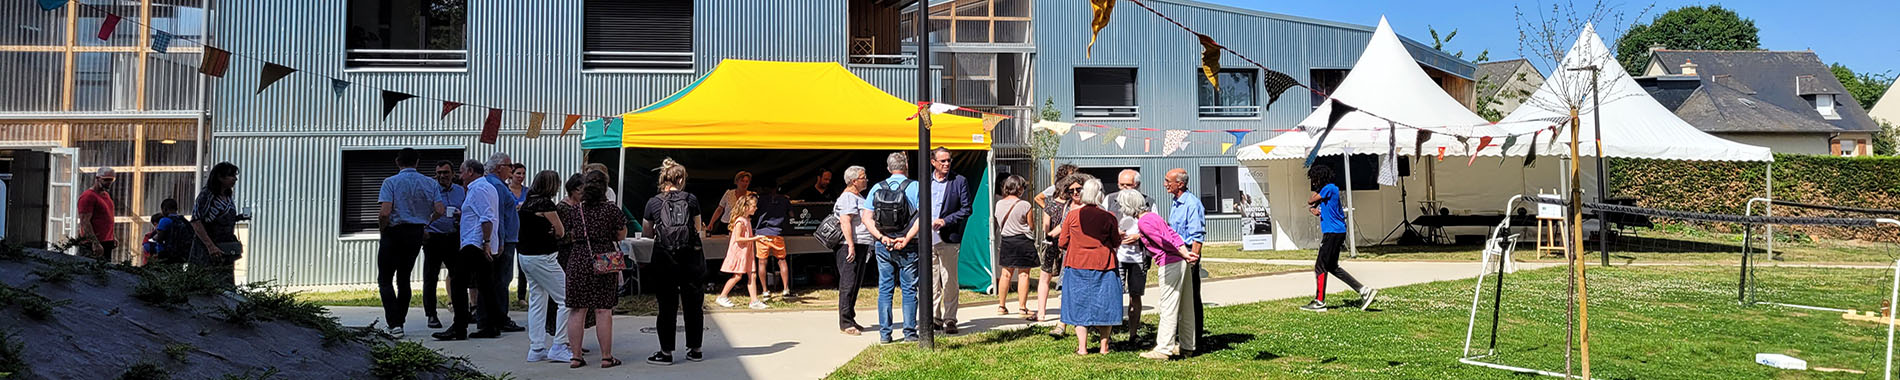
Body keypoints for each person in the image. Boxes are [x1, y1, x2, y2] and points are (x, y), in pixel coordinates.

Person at [558, 170, 628, 368]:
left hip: (578, 259)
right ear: (605, 188)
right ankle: (606, 357)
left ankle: (576, 356)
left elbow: (569, 232)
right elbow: (621, 234)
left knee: (577, 310)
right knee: (603, 310)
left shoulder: (575, 210)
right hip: (604, 258)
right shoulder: (611, 209)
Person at [643, 158, 708, 365]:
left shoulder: (653, 202)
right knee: (694, 303)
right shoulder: (691, 199)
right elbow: (698, 229)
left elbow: (647, 231)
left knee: (667, 305)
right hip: (691, 257)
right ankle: (695, 349)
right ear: (680, 179)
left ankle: (666, 353)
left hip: (664, 257)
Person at [1122, 190, 1201, 360]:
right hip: (1181, 261)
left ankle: (1164, 348)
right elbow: (1173, 234)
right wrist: (1184, 252)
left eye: (1122, 205)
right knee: (1186, 306)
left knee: (1168, 306)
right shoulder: (1153, 216)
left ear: (1129, 206)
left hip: (1170, 263)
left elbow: (1164, 241)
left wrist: (1182, 253)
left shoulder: (1144, 222)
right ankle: (1188, 346)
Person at [377, 148, 446, 339]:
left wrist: (384, 229)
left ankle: (394, 323)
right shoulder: (430, 183)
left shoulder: (390, 182)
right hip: (416, 232)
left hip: (394, 231)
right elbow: (440, 209)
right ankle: (400, 319)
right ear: (417, 162)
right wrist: (426, 222)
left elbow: (384, 212)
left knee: (385, 279)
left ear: (398, 162)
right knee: (404, 277)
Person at [435, 159, 502, 341]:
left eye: (462, 171)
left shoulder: (478, 189)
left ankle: (459, 326)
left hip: (474, 243)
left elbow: (487, 217)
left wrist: (486, 241)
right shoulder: (486, 187)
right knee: (485, 284)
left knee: (457, 282)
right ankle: (491, 325)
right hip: (479, 242)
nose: (460, 175)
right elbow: (483, 213)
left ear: (471, 171)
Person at [861, 152, 921, 344]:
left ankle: (885, 334)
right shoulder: (916, 187)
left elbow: (866, 218)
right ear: (906, 166)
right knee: (909, 289)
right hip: (908, 244)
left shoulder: (877, 188)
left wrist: (881, 237)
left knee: (885, 289)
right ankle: (910, 333)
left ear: (888, 168)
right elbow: (923, 217)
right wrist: (906, 237)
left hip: (883, 244)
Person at [1059, 176, 1123, 355]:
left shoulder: (1072, 216)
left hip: (1077, 263)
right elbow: (1116, 241)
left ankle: (1082, 347)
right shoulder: (1109, 217)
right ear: (1100, 195)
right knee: (1105, 304)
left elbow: (1062, 242)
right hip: (1104, 265)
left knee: (1078, 304)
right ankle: (1104, 346)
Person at [1303, 165, 1378, 312]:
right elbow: (1321, 207)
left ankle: (1319, 302)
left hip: (1332, 233)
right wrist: (1316, 211)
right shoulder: (1331, 190)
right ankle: (1363, 290)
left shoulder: (1328, 188)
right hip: (1337, 231)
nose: (1314, 182)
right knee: (1332, 267)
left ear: (1320, 178)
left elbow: (1310, 200)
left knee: (1320, 266)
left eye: (1315, 179)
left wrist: (1313, 204)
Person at [519, 170, 575, 363]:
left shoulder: (528, 202)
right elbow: (560, 231)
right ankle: (559, 344)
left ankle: (536, 347)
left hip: (525, 256)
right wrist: (552, 231)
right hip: (543, 257)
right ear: (552, 185)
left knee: (537, 300)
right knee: (567, 298)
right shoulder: (546, 203)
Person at [925, 147, 972, 334]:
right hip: (927, 238)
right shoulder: (925, 181)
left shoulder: (959, 181)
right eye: (942, 161)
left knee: (949, 279)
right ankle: (934, 317)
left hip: (948, 238)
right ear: (933, 162)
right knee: (932, 279)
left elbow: (966, 209)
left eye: (948, 161)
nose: (946, 164)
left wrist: (946, 221)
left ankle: (950, 318)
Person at [1102, 169, 1153, 341]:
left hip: (1139, 256)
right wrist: (1115, 232)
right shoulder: (1109, 199)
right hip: (1116, 256)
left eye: (1128, 185)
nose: (1124, 188)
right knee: (1113, 293)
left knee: (1135, 294)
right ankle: (1108, 335)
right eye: (1121, 184)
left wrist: (1139, 236)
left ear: (1137, 185)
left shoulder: (1148, 202)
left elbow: (1155, 228)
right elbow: (1101, 224)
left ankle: (1133, 333)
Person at [480, 153, 525, 333]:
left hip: (504, 238)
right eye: (509, 166)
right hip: (504, 240)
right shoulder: (497, 185)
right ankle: (500, 317)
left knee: (497, 280)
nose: (511, 169)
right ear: (499, 167)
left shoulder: (495, 184)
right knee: (501, 280)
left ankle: (491, 317)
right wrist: (498, 241)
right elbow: (496, 215)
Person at [422, 160, 465, 329]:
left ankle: (461, 312)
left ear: (453, 174)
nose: (442, 176)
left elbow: (467, 209)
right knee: (430, 277)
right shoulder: (430, 191)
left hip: (453, 236)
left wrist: (461, 215)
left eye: (445, 173)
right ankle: (431, 314)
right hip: (434, 237)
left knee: (458, 276)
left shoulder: (461, 191)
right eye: (439, 173)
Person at [833, 166, 875, 335]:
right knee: (848, 283)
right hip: (850, 245)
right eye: (863, 177)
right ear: (853, 181)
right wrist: (850, 244)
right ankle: (845, 322)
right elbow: (845, 221)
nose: (866, 180)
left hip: (861, 244)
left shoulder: (858, 196)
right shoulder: (848, 198)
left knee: (856, 283)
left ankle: (850, 316)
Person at [189, 163, 246, 285]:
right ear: (220, 177)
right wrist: (210, 246)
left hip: (225, 249)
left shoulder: (227, 196)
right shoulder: (207, 195)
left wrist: (238, 217)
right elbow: (196, 221)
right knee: (205, 285)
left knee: (225, 286)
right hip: (207, 251)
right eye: (231, 176)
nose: (235, 179)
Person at [1035, 173, 1079, 328]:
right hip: (1069, 245)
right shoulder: (1074, 205)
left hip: (1051, 243)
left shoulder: (1051, 205)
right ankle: (1065, 313)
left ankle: (1041, 312)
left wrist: (1048, 234)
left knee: (1044, 277)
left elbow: (1045, 225)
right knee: (1065, 279)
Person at [992, 175, 1036, 317]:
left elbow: (998, 221)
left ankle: (1001, 306)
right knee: (1023, 274)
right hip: (1023, 241)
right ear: (1019, 188)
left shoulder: (999, 204)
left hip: (1007, 241)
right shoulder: (1025, 205)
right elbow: (1031, 226)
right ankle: (1022, 308)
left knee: (1005, 274)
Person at [714, 194, 767, 309]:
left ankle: (754, 300)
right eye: (754, 206)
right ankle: (722, 296)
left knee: (752, 275)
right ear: (745, 207)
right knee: (737, 275)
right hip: (740, 252)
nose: (756, 208)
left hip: (747, 251)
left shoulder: (747, 220)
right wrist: (755, 238)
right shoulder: (740, 221)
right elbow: (738, 239)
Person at [752, 180, 792, 300]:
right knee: (782, 260)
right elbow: (791, 214)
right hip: (777, 233)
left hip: (761, 234)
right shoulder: (784, 199)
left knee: (762, 262)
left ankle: (765, 290)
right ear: (777, 187)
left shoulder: (759, 200)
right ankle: (786, 289)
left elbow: (753, 213)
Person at [77, 167, 118, 261]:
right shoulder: (88, 196)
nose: (109, 182)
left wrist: (112, 236)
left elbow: (106, 218)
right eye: (105, 179)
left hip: (106, 241)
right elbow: (85, 222)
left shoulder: (105, 195)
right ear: (97, 178)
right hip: (92, 243)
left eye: (111, 180)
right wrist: (94, 242)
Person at [141, 199, 188, 265]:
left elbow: (160, 237)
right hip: (181, 255)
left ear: (165, 209)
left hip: (165, 255)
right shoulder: (183, 221)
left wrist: (154, 238)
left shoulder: (164, 221)